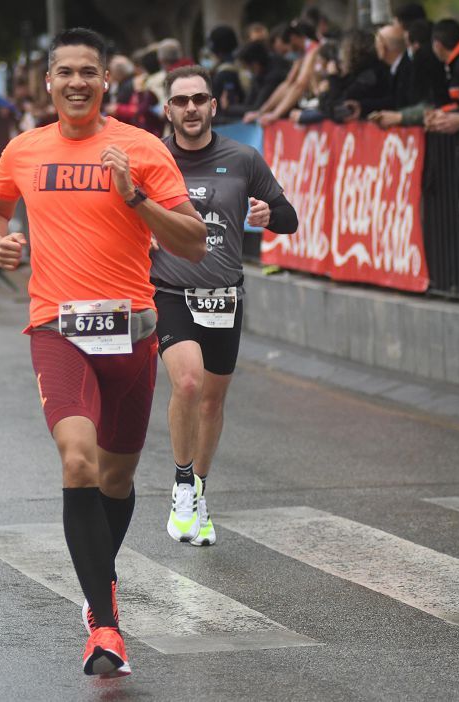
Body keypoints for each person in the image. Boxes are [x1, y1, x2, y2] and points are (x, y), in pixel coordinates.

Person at [0, 27, 206, 678]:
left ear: (107, 82)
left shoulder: (142, 148)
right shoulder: (24, 149)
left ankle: (95, 582)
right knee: (78, 460)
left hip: (131, 332)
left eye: (89, 73)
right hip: (58, 328)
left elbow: (192, 242)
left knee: (117, 480)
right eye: (65, 72)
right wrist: (0, 243)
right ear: (47, 83)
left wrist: (136, 198)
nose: (76, 82)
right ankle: (105, 626)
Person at [155, 65, 297, 545]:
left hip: (224, 296)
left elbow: (289, 217)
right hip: (170, 291)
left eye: (199, 99)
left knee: (213, 402)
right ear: (168, 109)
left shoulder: (242, 158)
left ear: (214, 106)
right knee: (189, 382)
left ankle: (198, 491)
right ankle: (179, 483)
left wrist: (267, 213)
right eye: (181, 101)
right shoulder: (155, 159)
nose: (191, 108)